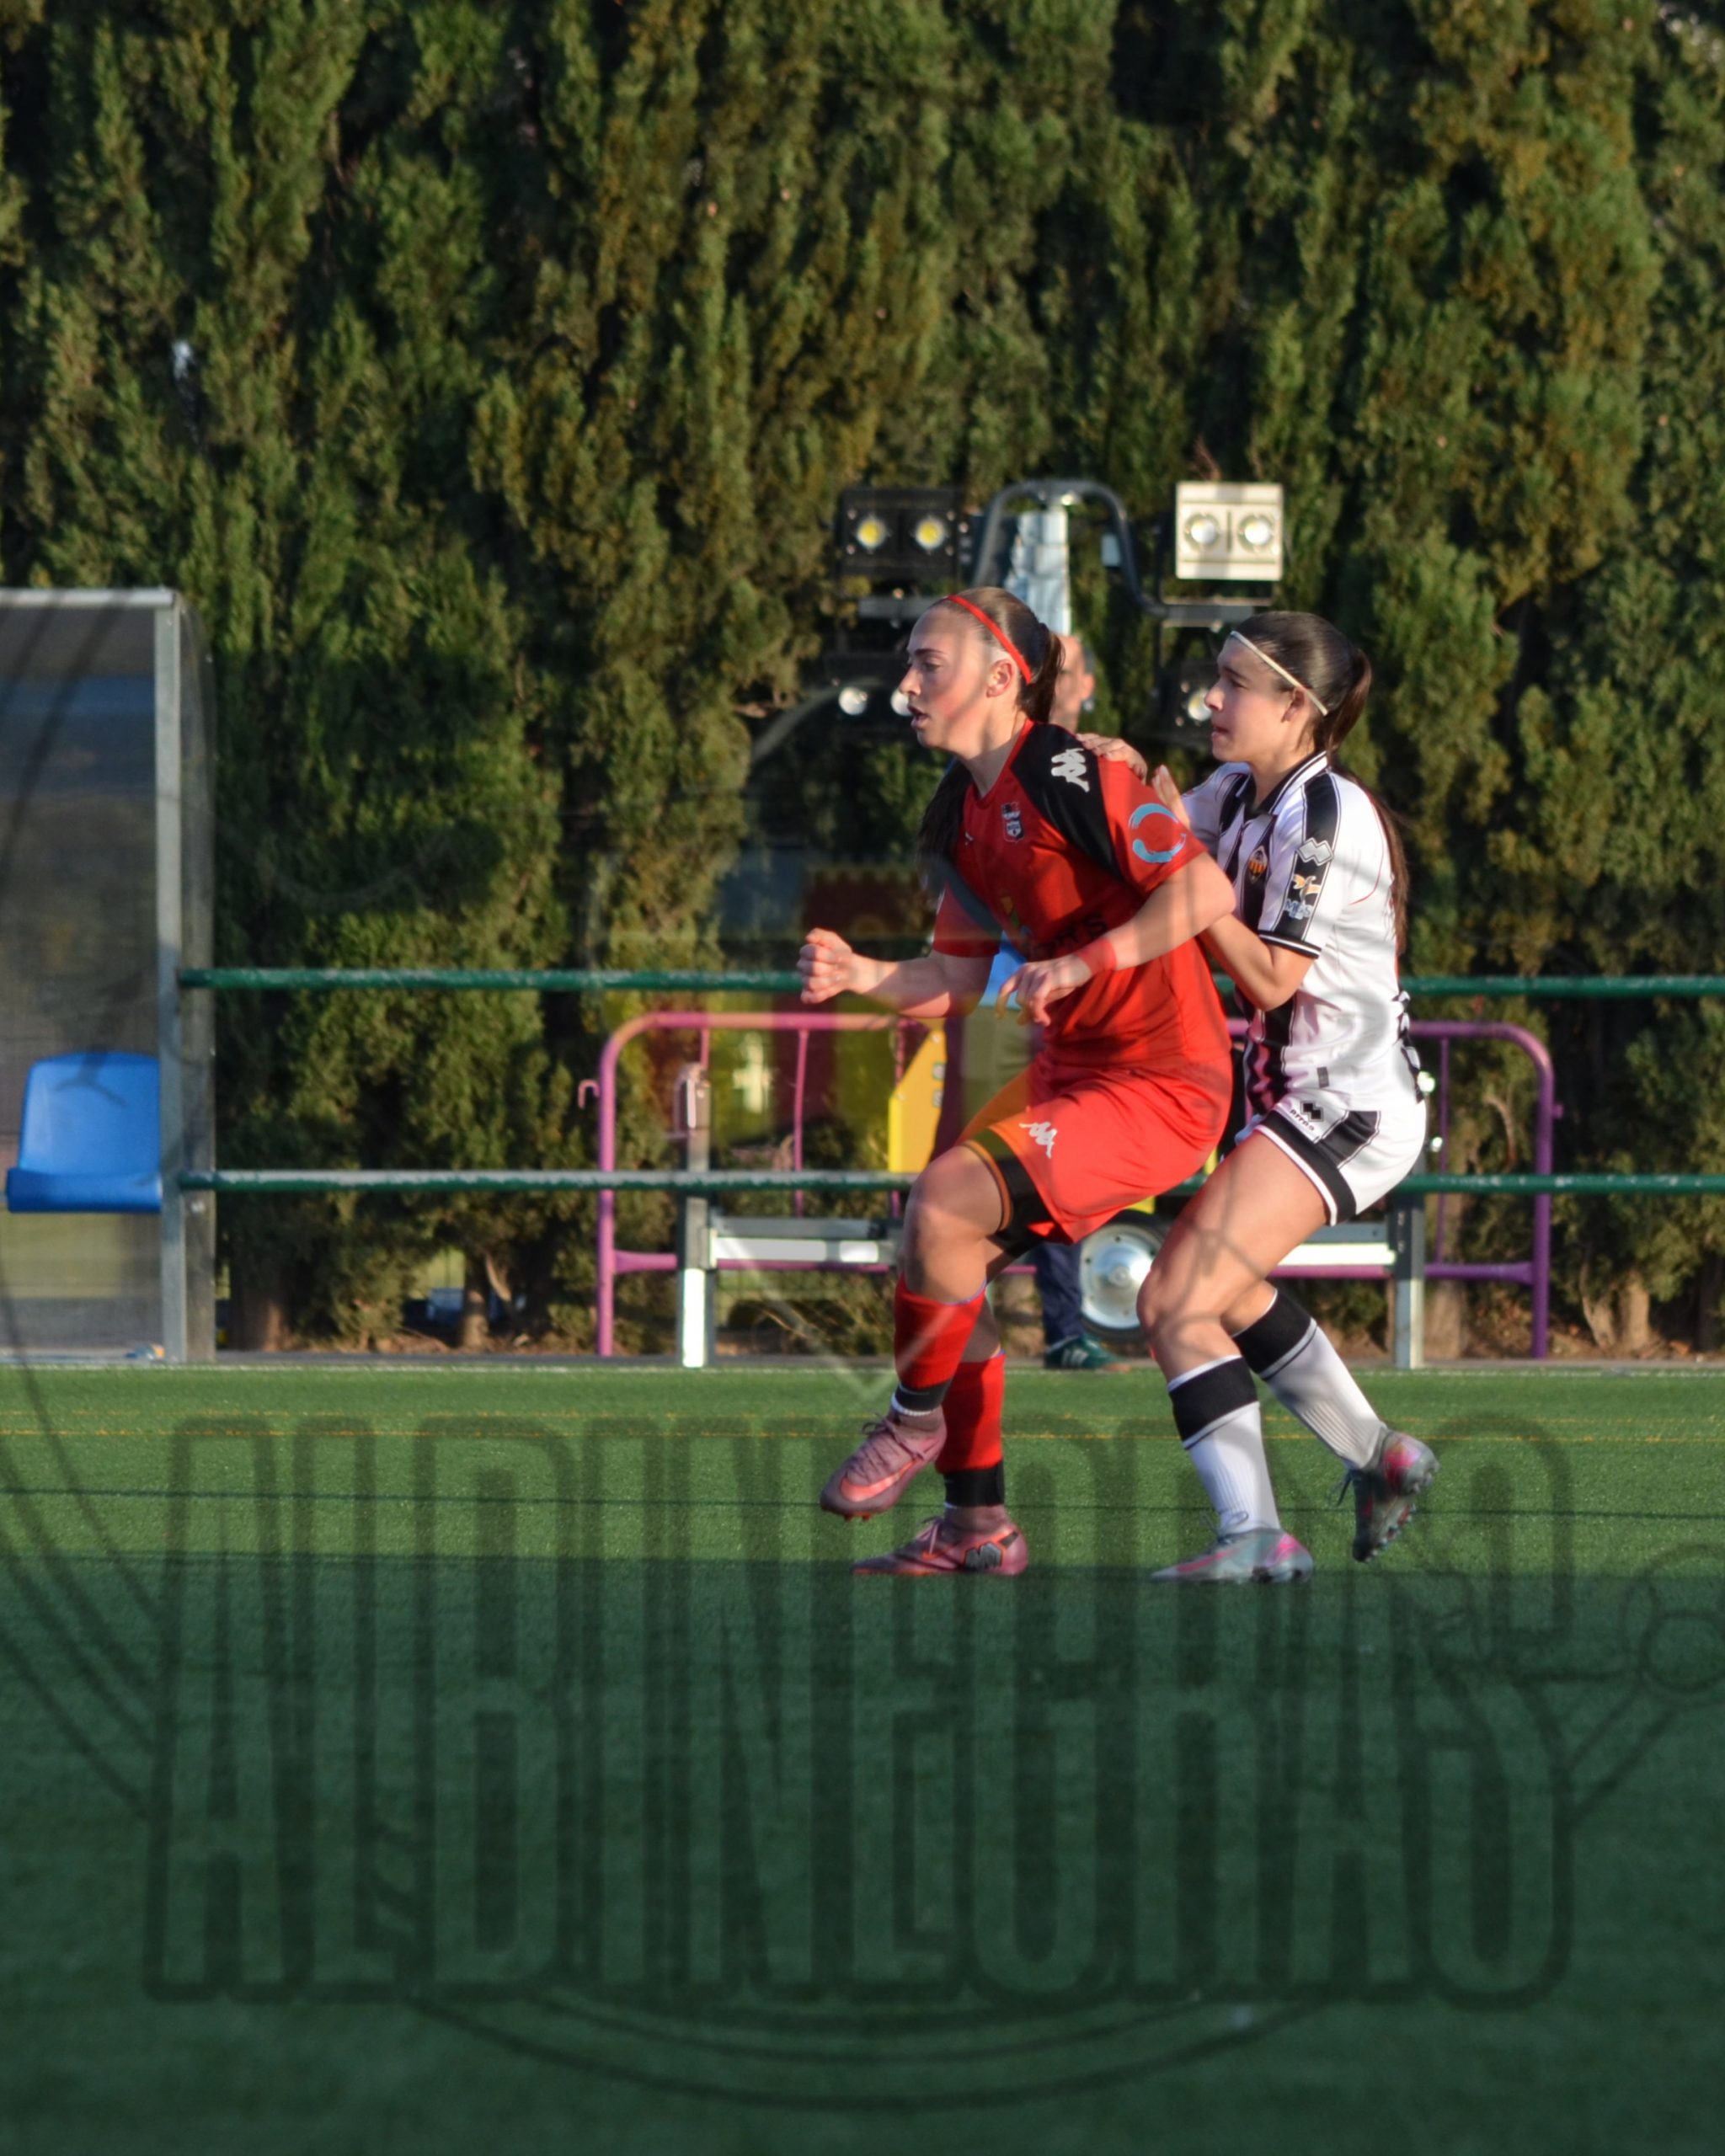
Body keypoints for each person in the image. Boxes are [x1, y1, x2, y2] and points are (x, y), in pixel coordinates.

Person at [799, 586, 1236, 1575]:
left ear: (1002, 676)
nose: (906, 685)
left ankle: (912, 1418)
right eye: (907, 664)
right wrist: (862, 975)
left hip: (1161, 1083)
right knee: (938, 1249)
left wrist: (1082, 963)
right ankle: (976, 1527)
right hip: (1073, 1074)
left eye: (929, 664)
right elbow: (958, 978)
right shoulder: (958, 812)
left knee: (941, 1204)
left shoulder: (1071, 771)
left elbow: (1203, 887)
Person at [1092, 612, 1436, 1582]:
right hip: (1298, 1099)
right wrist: (1114, 778)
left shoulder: (1319, 813)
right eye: (1215, 676)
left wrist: (1194, 882)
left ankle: (1253, 1535)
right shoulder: (1243, 789)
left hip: (1347, 1103)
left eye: (1233, 683)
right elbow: (1161, 839)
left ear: (1296, 706)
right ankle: (1380, 1458)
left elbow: (1273, 979)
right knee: (1226, 1291)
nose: (1209, 697)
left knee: (1171, 1300)